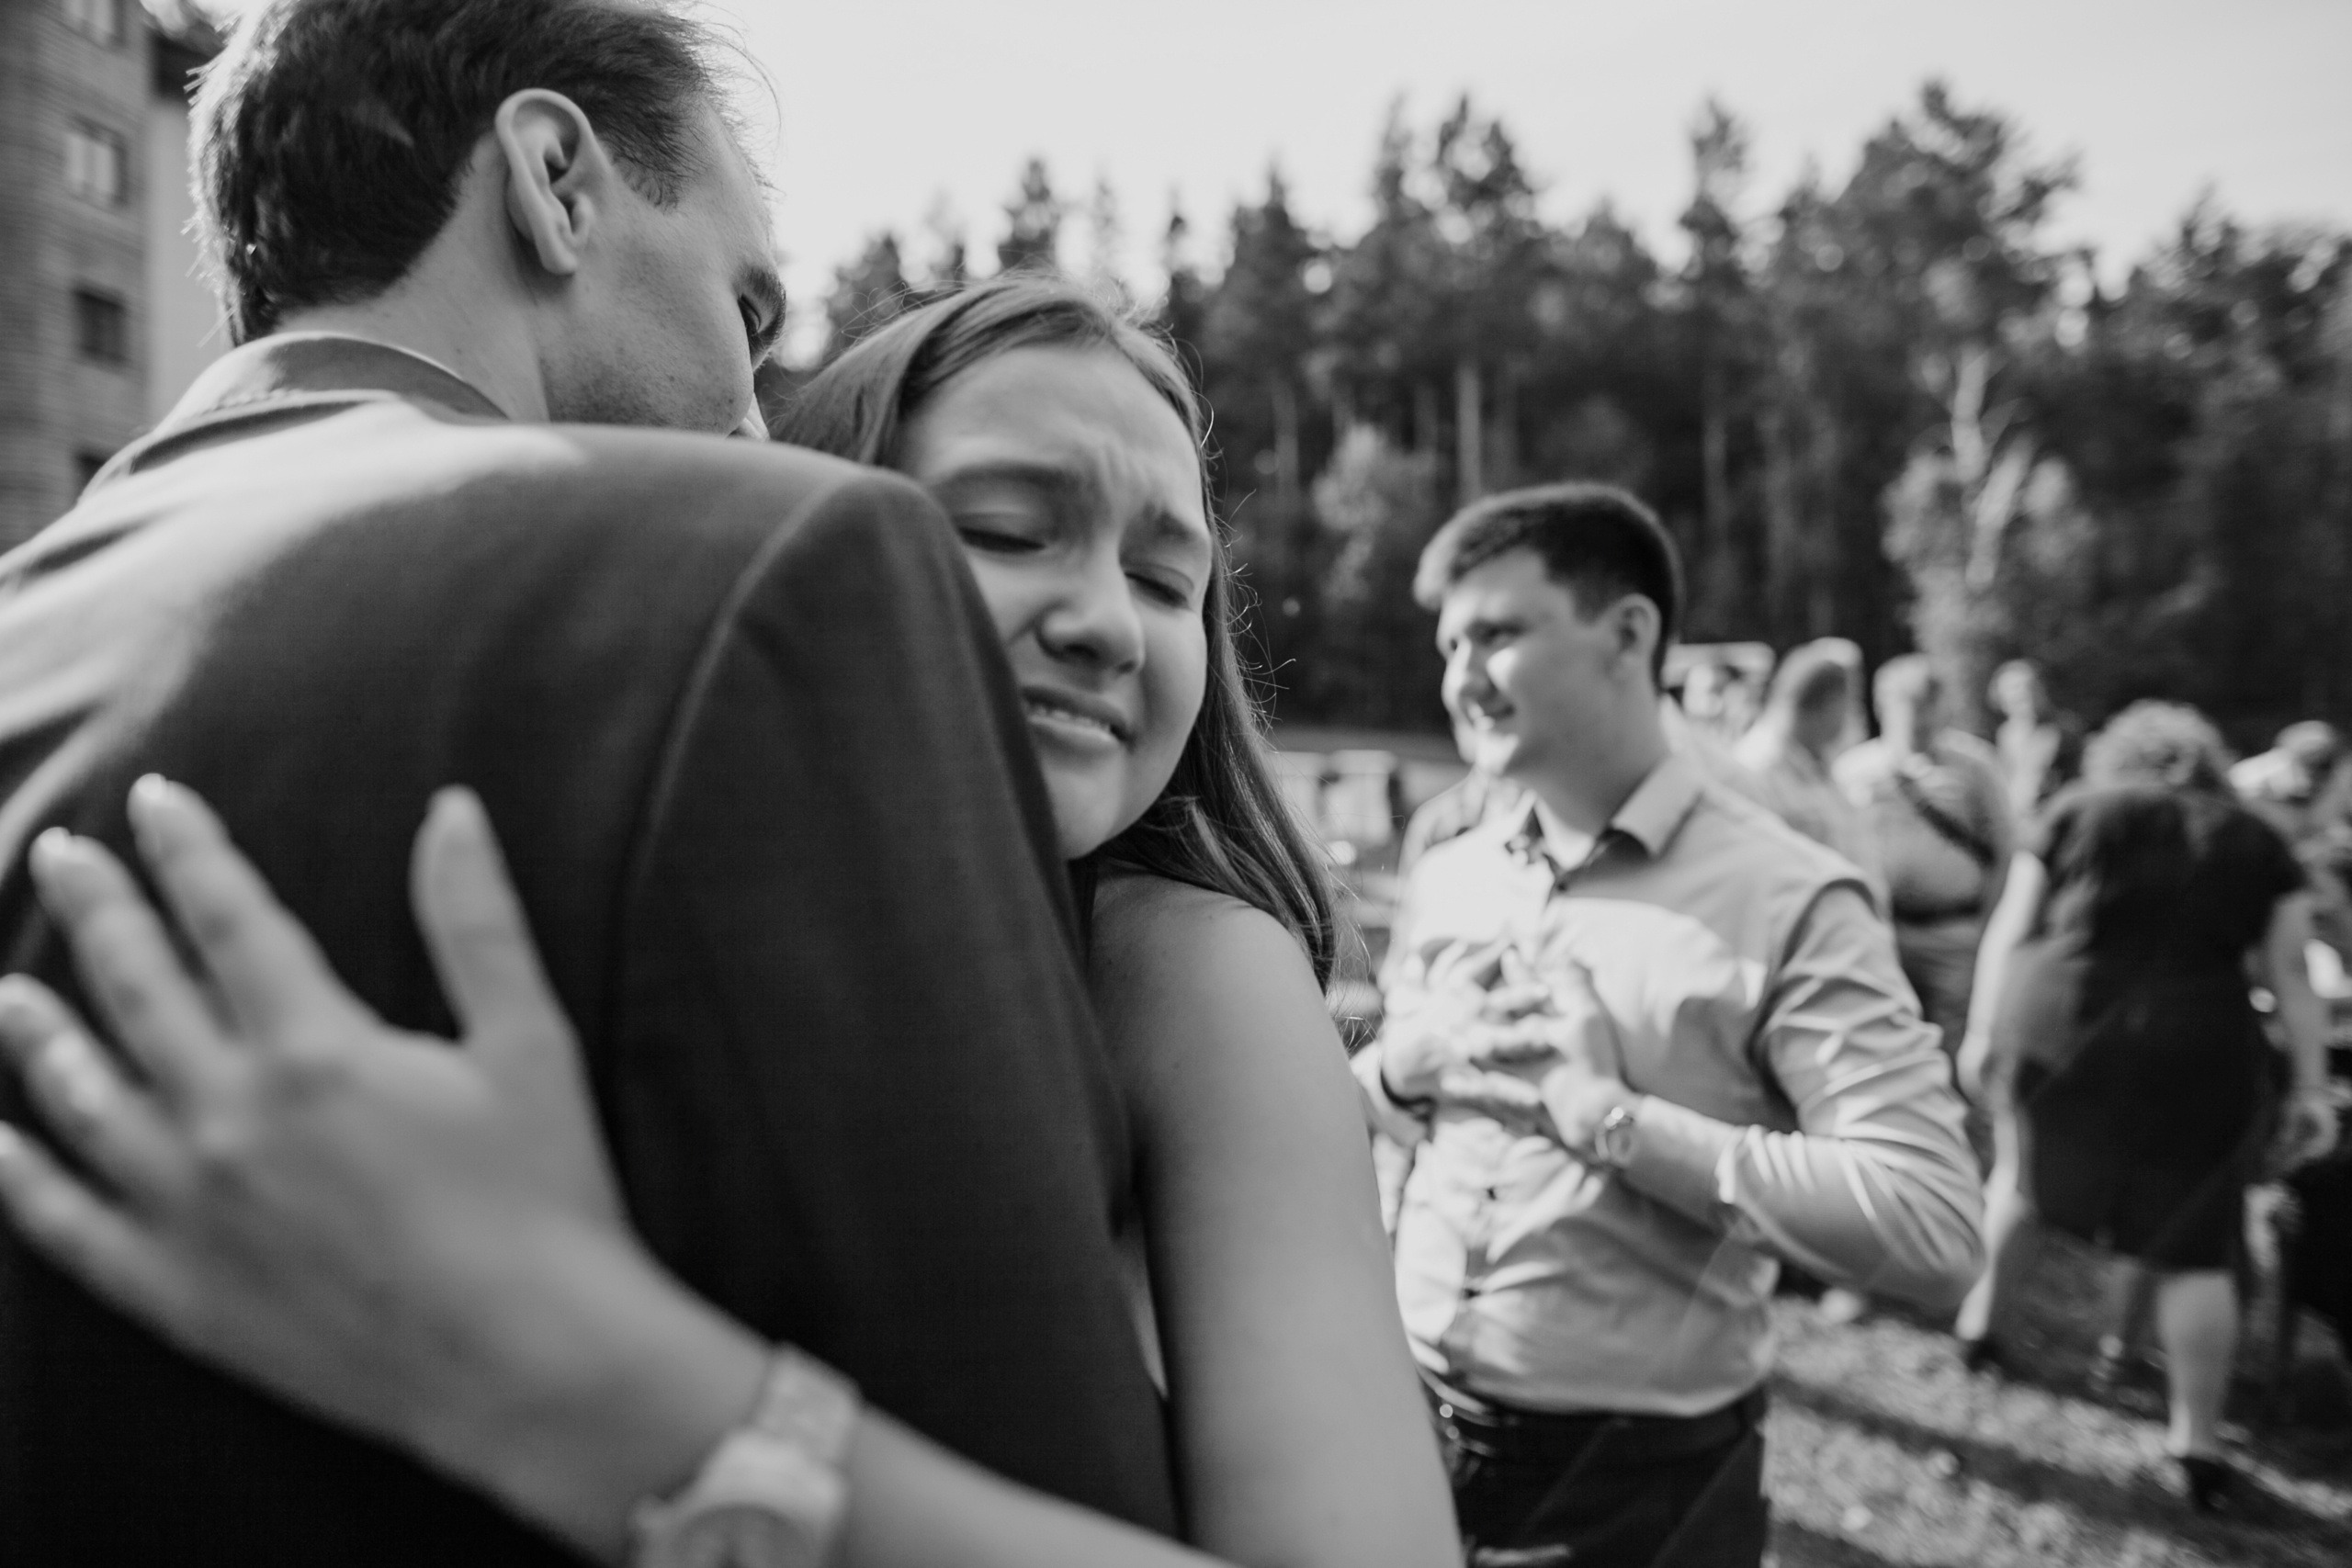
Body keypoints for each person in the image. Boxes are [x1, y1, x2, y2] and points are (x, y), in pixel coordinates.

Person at [0, 6, 1459, 1567]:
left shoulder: (1193, 969)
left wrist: (601, 1386)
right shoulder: (743, 593)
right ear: (554, 183)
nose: (752, 421)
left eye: (1171, 578)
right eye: (747, 312)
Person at [1351, 484, 1983, 1568]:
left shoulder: (1790, 897)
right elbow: (1380, 1121)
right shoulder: (1450, 871)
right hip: (1391, 1421)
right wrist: (1402, 1068)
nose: (1460, 678)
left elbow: (1930, 1225)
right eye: (1449, 645)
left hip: (1630, 1489)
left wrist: (1608, 1121)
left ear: (1627, 633)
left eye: (1496, 635)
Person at [1951, 703, 2339, 1513]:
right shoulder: (2256, 839)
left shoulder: (2075, 809)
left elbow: (2010, 929)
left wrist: (1982, 1030)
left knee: (2020, 1183)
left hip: (2056, 1022)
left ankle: (1979, 1330)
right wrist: (2310, 1087)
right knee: (2197, 1244)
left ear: (2119, 756)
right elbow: (2291, 974)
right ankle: (2197, 1444)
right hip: (2197, 1046)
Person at [1837, 655, 2014, 1059]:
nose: (1923, 723)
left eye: (1930, 711)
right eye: (1912, 713)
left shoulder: (1975, 766)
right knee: (1888, 1046)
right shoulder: (1852, 771)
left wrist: (1990, 926)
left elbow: (2007, 851)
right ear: (1883, 707)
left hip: (1955, 932)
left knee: (1959, 1047)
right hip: (1881, 934)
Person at [1735, 637, 1882, 898]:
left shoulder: (1818, 760)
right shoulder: (1758, 768)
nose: (1852, 715)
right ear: (1829, 703)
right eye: (1850, 703)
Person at [1987, 660, 2081, 822]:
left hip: (2056, 818)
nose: (2023, 693)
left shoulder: (2064, 730)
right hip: (2018, 820)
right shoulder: (2006, 733)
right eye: (2014, 688)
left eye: (2030, 686)